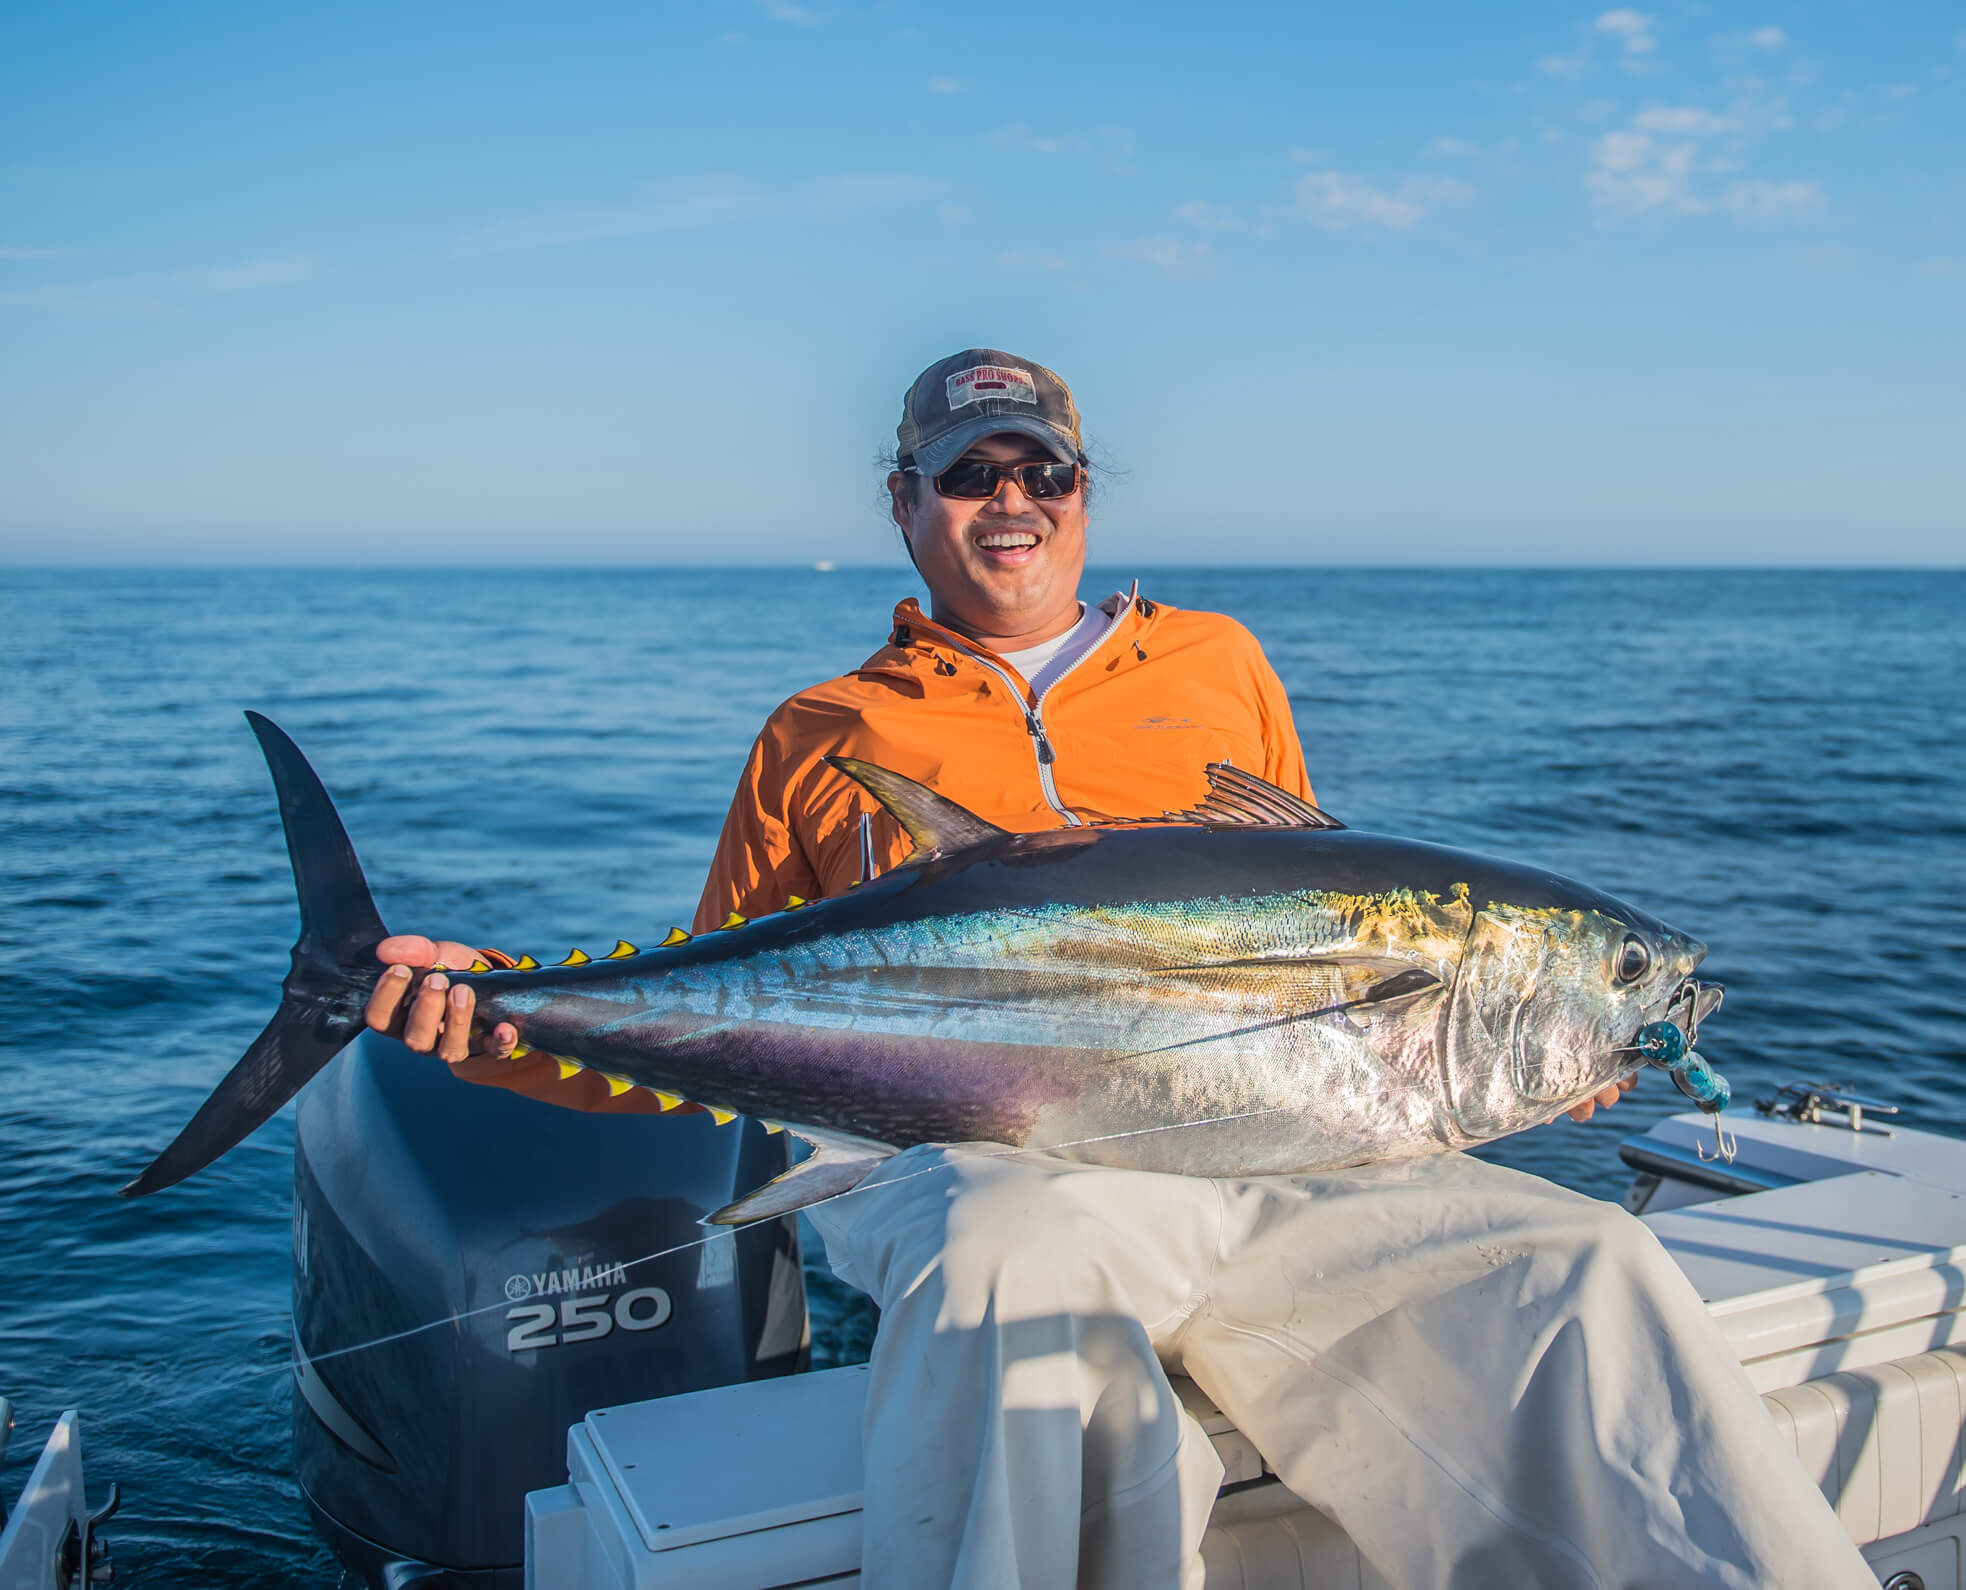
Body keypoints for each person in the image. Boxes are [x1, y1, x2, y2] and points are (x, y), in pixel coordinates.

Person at [365, 350, 1872, 1588]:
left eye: (1042, 470)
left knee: (1577, 1263)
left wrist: (1493, 1070)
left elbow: (1322, 940)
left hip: (1291, 1157)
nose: (1009, 500)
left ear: (1084, 492)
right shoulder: (823, 732)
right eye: (968, 472)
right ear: (905, 502)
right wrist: (485, 1024)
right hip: (968, 1159)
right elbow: (721, 1022)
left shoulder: (1217, 663)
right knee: (1016, 1244)